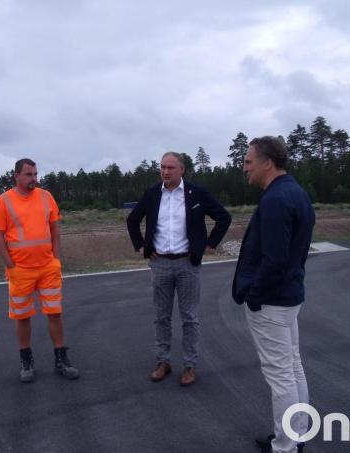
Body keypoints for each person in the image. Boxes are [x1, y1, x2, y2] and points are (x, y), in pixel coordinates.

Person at [232, 136, 315, 453]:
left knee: (281, 376)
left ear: (268, 162)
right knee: (292, 368)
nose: (245, 168)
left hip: (272, 302)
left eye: (249, 161)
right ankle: (297, 435)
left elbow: (275, 259)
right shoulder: (295, 193)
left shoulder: (276, 199)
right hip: (288, 296)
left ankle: (286, 446)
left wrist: (255, 295)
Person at [126, 151, 231, 386]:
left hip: (188, 264)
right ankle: (163, 361)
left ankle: (189, 366)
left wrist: (209, 244)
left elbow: (223, 217)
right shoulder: (153, 194)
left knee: (190, 318)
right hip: (160, 263)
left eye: (170, 167)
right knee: (161, 317)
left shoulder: (197, 193)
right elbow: (132, 220)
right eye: (162, 167)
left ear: (182, 170)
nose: (165, 171)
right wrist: (141, 245)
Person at [0, 158, 79, 383]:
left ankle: (61, 359)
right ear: (16, 175)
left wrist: (55, 258)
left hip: (48, 267)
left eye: (35, 174)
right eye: (28, 174)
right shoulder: (4, 201)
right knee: (23, 317)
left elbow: (54, 228)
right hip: (21, 270)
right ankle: (26, 361)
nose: (33, 179)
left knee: (55, 313)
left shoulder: (46, 197)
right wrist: (9, 264)